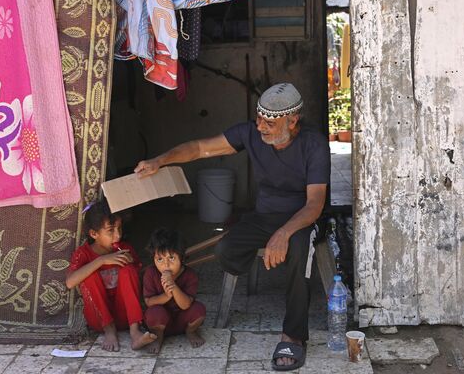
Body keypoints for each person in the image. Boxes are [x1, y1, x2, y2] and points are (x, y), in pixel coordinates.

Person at [135, 83, 330, 371]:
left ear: (293, 120)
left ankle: (294, 335)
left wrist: (283, 234)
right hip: (264, 216)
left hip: (303, 219)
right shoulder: (250, 133)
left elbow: (314, 204)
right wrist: (159, 161)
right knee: (225, 249)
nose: (261, 127)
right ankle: (269, 272)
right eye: (259, 119)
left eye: (270, 122)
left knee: (299, 249)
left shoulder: (314, 144)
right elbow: (200, 149)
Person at [66, 200, 156, 351]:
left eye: (119, 229)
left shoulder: (125, 248)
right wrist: (102, 260)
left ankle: (135, 331)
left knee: (128, 270)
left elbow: (140, 280)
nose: (118, 235)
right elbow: (69, 282)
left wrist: (133, 265)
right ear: (94, 234)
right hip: (99, 319)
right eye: (110, 231)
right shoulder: (83, 254)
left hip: (126, 316)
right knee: (88, 275)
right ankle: (110, 330)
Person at [143, 228, 206, 354]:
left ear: (181, 258)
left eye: (171, 258)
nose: (166, 265)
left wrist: (173, 287)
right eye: (159, 259)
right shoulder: (150, 273)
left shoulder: (190, 275)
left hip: (182, 320)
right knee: (153, 313)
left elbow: (186, 304)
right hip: (160, 322)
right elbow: (149, 302)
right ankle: (158, 337)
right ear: (153, 259)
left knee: (199, 309)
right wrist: (166, 296)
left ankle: (191, 331)